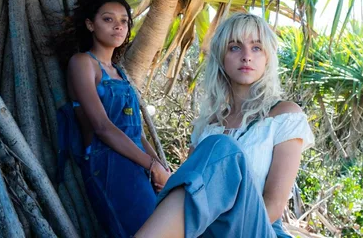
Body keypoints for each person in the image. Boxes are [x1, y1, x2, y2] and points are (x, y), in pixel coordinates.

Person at [134, 13, 314, 238]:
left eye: (256, 48)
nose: (247, 56)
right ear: (221, 57)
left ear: (268, 57)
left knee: (223, 147)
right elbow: (196, 192)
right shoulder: (207, 127)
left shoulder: (285, 115)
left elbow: (273, 207)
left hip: (259, 230)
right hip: (207, 231)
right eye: (235, 48)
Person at [56, 0, 170, 238]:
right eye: (108, 19)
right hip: (108, 164)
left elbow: (137, 133)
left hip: (137, 163)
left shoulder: (120, 72)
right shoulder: (83, 63)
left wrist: (160, 168)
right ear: (90, 24)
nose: (118, 26)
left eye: (124, 21)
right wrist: (150, 164)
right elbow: (102, 126)